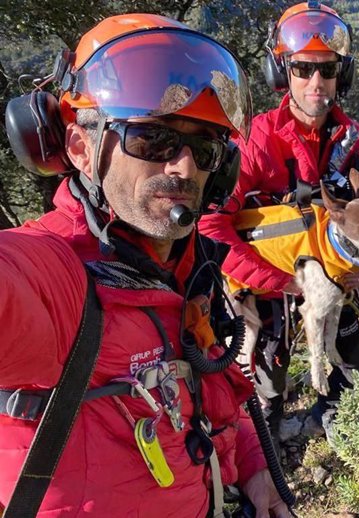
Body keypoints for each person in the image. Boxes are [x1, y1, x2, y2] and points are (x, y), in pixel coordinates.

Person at [0, 13, 290, 518]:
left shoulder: (184, 269)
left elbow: (208, 391)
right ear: (80, 149)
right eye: (152, 139)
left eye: (203, 147)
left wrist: (253, 466)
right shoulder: (56, 275)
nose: (182, 167)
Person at [198, 1, 359, 442]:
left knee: (349, 341)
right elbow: (212, 229)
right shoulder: (255, 138)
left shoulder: (356, 143)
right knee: (266, 361)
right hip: (266, 280)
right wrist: (285, 282)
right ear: (282, 72)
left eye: (327, 69)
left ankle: (343, 420)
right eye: (302, 69)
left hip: (331, 279)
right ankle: (269, 428)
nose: (316, 82)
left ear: (342, 74)